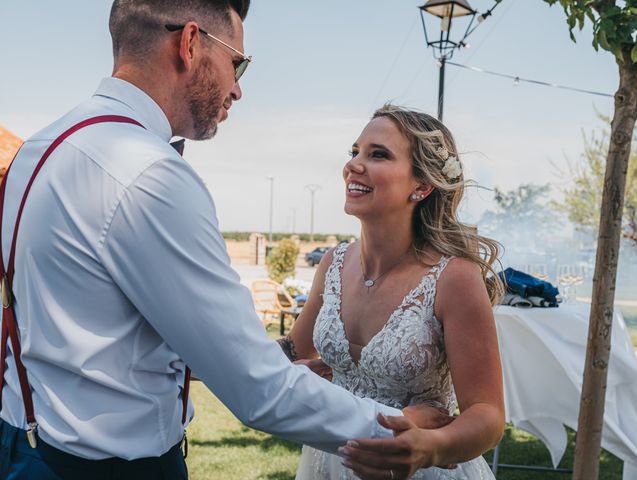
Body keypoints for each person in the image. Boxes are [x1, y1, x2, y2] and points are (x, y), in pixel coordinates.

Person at [0, 2, 448, 479]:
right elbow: (258, 391)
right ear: (190, 43)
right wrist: (397, 430)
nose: (237, 88)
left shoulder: (38, 150)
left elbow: (93, 322)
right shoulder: (149, 174)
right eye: (238, 63)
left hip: (21, 445)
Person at [279, 105, 506, 479]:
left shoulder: (454, 278)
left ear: (421, 185)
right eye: (355, 152)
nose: (353, 165)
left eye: (378, 154)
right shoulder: (333, 264)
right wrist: (296, 377)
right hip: (330, 463)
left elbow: (488, 415)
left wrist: (430, 448)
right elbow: (292, 353)